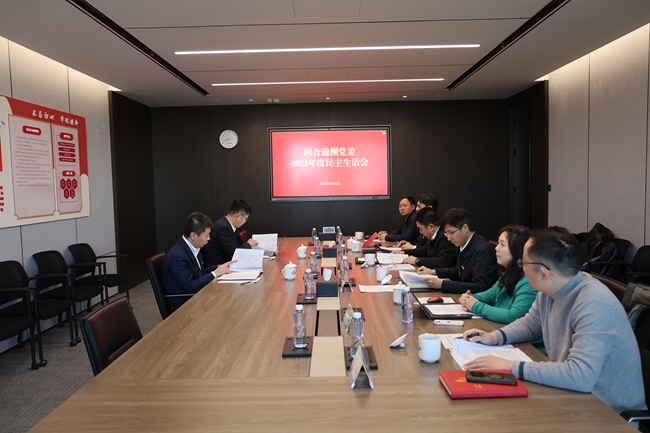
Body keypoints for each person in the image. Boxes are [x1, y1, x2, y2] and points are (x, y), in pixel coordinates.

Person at [462, 227, 646, 414]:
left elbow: (580, 375)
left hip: (607, 412)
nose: (521, 267)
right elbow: (530, 324)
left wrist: (509, 366)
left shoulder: (594, 303)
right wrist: (494, 337)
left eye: (523, 262)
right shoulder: (551, 290)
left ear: (543, 272)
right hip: (573, 396)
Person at [459, 225, 538, 325]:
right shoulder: (508, 274)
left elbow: (513, 316)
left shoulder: (529, 281)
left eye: (502, 244)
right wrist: (467, 298)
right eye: (498, 243)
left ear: (517, 250)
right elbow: (489, 296)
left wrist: (475, 305)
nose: (496, 248)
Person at [162, 212, 233, 312]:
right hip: (184, 305)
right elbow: (190, 287)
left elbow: (199, 273)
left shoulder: (194, 247)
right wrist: (215, 273)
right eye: (206, 235)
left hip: (196, 296)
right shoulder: (177, 257)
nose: (209, 239)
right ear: (193, 235)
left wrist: (219, 267)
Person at [417, 208, 498, 294]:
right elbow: (459, 271)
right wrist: (434, 271)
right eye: (447, 234)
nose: (449, 238)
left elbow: (480, 286)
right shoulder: (466, 244)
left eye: (451, 233)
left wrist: (443, 284)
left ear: (465, 228)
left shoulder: (482, 251)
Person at [204, 199, 258, 267]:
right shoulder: (222, 228)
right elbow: (234, 253)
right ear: (238, 216)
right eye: (246, 219)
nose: (245, 222)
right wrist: (248, 244)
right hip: (218, 268)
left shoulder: (226, 225)